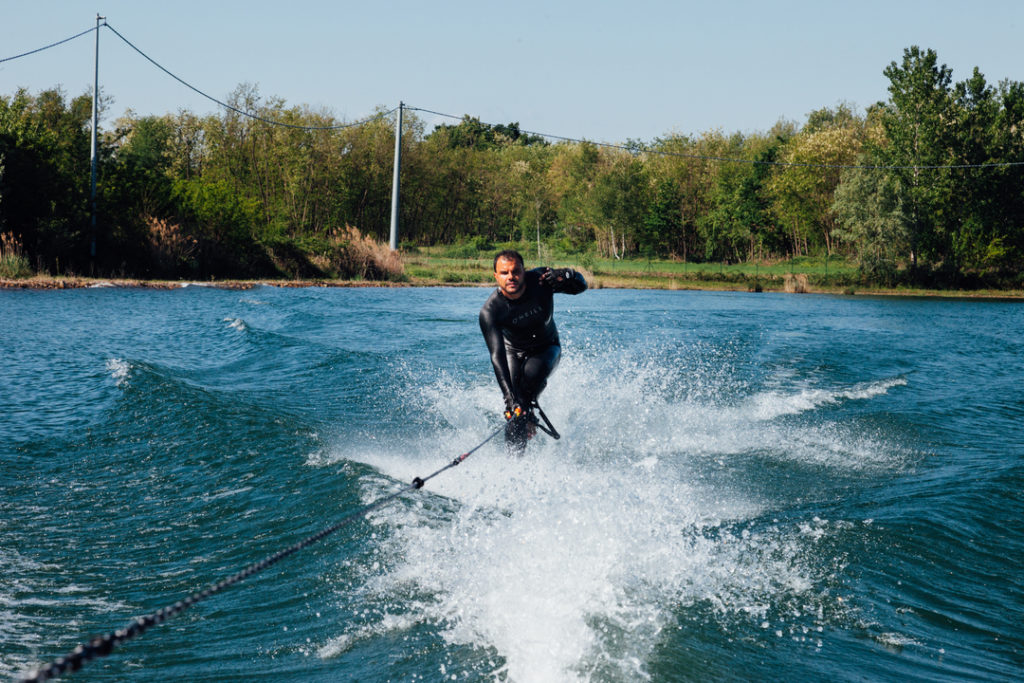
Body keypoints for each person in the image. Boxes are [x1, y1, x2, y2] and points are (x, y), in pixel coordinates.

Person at [479, 249, 587, 453]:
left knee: (531, 376)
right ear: (496, 276)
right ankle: (514, 462)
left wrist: (568, 274)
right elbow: (497, 356)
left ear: (523, 271)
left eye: (515, 271)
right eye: (504, 273)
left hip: (547, 348)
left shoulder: (541, 280)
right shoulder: (490, 311)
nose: (510, 277)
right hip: (513, 352)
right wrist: (509, 400)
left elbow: (582, 286)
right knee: (515, 407)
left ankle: (528, 415)